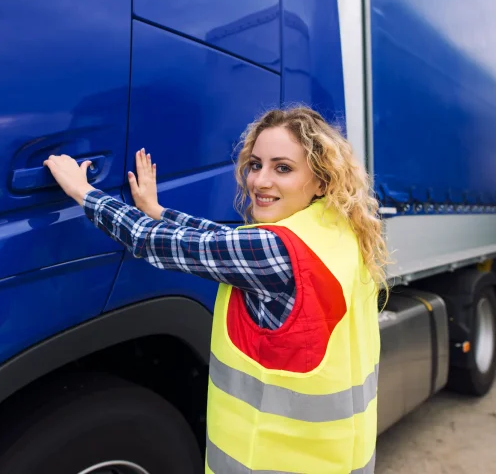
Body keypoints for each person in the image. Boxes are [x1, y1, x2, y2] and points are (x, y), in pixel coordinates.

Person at [44, 106, 388, 474]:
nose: (260, 181)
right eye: (255, 164)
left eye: (282, 168)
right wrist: (158, 210)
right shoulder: (334, 233)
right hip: (336, 459)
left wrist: (83, 191)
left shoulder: (276, 251)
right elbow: (224, 240)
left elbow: (147, 241)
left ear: (321, 180)